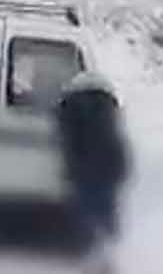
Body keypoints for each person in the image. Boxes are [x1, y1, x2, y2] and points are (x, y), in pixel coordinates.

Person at [53, 69, 130, 248]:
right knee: (106, 210)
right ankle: (110, 250)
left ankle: (96, 252)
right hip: (109, 164)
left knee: (88, 211)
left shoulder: (70, 107)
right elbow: (115, 137)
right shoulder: (107, 105)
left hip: (85, 168)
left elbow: (66, 137)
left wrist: (69, 169)